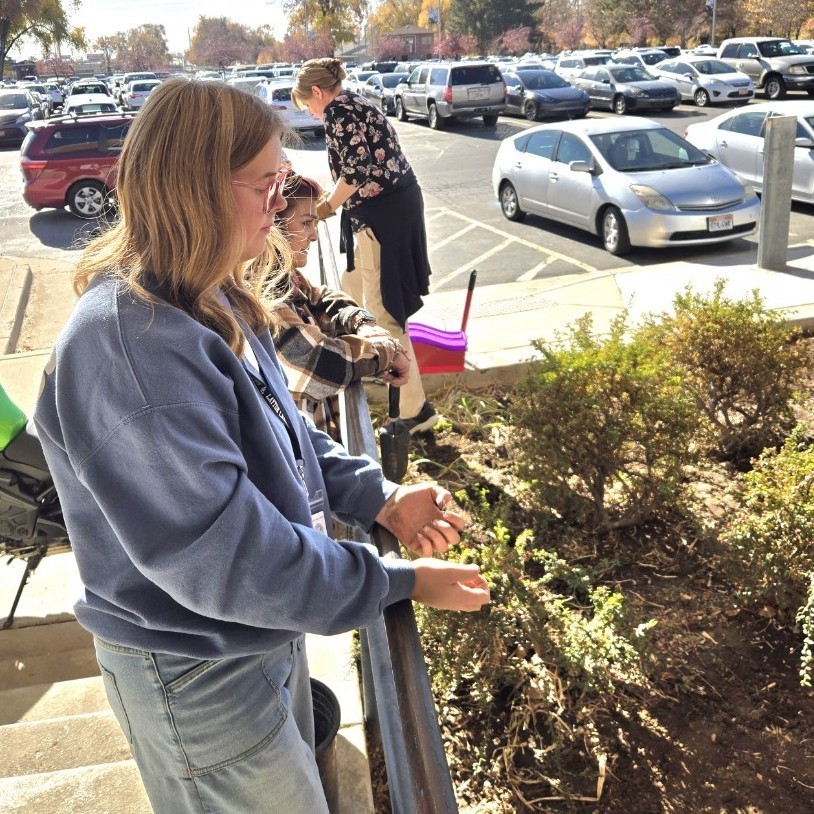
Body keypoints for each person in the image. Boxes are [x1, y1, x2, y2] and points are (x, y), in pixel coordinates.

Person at [32, 77, 490, 814]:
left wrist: (379, 496)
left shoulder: (205, 294)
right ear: (194, 190)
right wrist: (400, 581)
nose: (283, 204)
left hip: (245, 640)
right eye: (267, 184)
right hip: (200, 678)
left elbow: (282, 433)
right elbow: (237, 563)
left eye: (284, 181)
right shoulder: (132, 352)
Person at [291, 57, 438, 435]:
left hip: (382, 218)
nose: (309, 111)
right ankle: (365, 360)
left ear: (318, 93)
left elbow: (355, 172)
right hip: (388, 210)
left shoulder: (338, 111)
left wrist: (322, 209)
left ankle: (414, 410)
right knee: (351, 287)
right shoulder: (354, 104)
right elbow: (356, 168)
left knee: (384, 311)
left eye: (307, 104)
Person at [271, 173, 410, 440]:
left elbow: (321, 297)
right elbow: (320, 363)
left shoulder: (285, 276)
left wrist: (363, 324)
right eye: (306, 223)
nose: (314, 237)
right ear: (273, 226)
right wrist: (386, 350)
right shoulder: (263, 296)